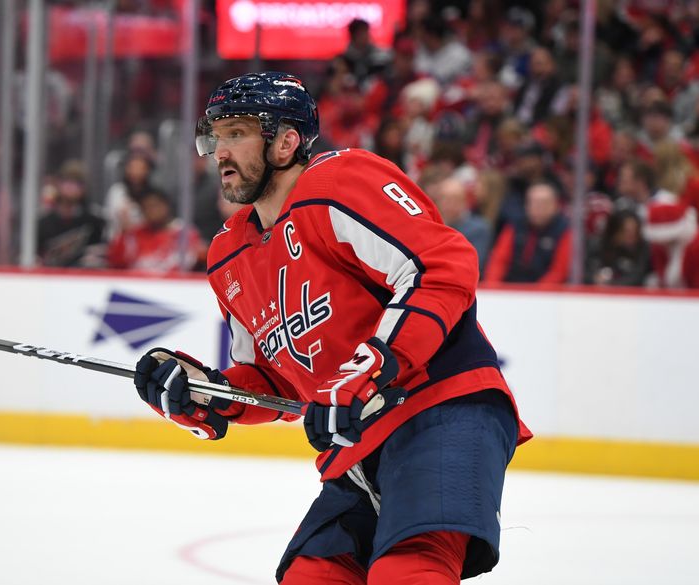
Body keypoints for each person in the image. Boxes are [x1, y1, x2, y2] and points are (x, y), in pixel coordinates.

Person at [131, 72, 531, 584]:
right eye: (216, 135)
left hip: (441, 409)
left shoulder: (339, 183)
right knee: (312, 576)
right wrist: (205, 392)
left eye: (237, 133)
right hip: (358, 449)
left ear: (285, 141)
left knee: (408, 569)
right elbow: (274, 383)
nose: (220, 151)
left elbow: (442, 265)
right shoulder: (227, 256)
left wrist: (369, 370)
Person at [484, 182, 572, 284]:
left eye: (544, 203)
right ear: (526, 205)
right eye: (534, 203)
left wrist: (535, 294)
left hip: (547, 294)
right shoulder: (514, 225)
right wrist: (493, 286)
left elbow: (559, 271)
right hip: (509, 289)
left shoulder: (564, 230)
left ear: (555, 205)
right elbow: (499, 260)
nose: (539, 208)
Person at [107, 187, 206, 273]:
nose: (150, 211)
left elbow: (195, 261)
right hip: (138, 287)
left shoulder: (184, 233)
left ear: (166, 206)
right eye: (145, 208)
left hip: (173, 287)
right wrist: (124, 233)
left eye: (154, 206)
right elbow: (116, 262)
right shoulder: (134, 234)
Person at [37, 159, 106, 267]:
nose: (71, 187)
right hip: (50, 279)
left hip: (82, 279)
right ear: (58, 184)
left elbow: (100, 256)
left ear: (83, 188)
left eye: (77, 183)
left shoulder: (94, 222)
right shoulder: (43, 223)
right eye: (67, 181)